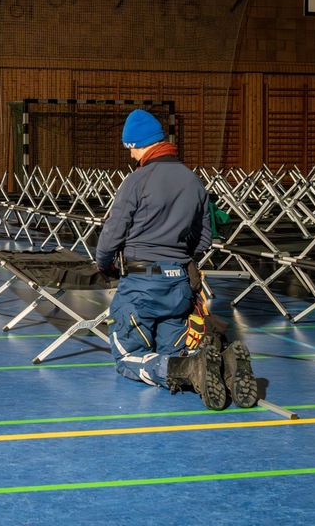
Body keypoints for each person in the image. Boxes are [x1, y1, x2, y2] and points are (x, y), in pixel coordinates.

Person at [95, 109, 256, 411]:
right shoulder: (194, 181)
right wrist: (183, 260)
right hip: (179, 286)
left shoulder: (137, 181)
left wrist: (103, 263)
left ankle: (190, 370)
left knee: (127, 357)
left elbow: (112, 232)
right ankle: (222, 365)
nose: (131, 156)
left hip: (141, 285)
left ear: (142, 145)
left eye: (130, 148)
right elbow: (205, 236)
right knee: (174, 351)